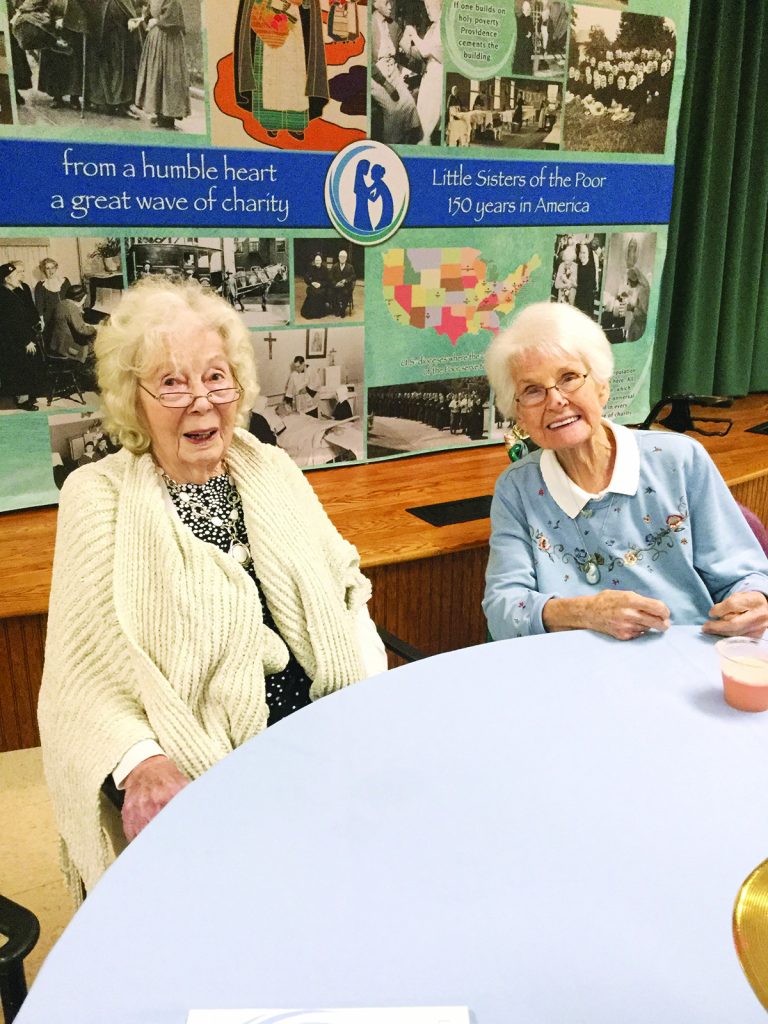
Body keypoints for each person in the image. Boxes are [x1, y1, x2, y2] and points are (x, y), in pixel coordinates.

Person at [38, 278, 387, 901]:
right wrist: (141, 763)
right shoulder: (99, 497)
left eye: (216, 377)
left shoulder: (271, 468)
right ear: (133, 400)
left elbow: (344, 589)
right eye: (172, 383)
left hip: (320, 745)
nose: (200, 401)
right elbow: (81, 679)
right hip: (200, 769)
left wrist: (365, 703)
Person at [483, 302, 768, 642]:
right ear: (519, 415)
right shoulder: (518, 489)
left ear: (602, 385)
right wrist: (585, 612)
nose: (555, 400)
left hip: (685, 654)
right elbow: (503, 611)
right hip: (573, 670)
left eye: (569, 378)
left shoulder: (678, 460)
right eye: (532, 391)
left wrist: (754, 601)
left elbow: (744, 574)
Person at [134, 0, 189, 130]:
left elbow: (173, 20)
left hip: (169, 41)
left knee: (169, 77)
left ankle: (168, 116)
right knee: (156, 75)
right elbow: (149, 11)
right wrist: (144, 19)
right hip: (156, 39)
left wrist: (157, 22)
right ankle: (159, 112)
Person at [0, 261, 44, 410]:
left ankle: (27, 396)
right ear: (7, 278)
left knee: (27, 367)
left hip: (20, 338)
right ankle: (23, 401)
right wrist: (26, 341)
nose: (19, 277)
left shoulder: (14, 291)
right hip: (14, 341)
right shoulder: (4, 296)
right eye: (16, 274)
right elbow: (12, 323)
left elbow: (24, 315)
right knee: (20, 368)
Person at [401, 0, 442, 145]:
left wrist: (413, 33)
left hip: (437, 75)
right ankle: (424, 141)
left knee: (429, 114)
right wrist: (407, 49)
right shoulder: (433, 27)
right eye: (426, 7)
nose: (428, 11)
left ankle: (426, 143)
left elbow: (426, 51)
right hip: (429, 73)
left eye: (430, 7)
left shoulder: (443, 27)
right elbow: (423, 53)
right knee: (422, 111)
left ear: (440, 4)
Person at [49, 284, 97, 361]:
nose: (84, 301)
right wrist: (95, 328)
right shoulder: (72, 308)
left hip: (56, 343)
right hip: (66, 347)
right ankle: (87, 368)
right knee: (96, 345)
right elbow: (81, 330)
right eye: (84, 298)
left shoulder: (62, 303)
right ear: (79, 298)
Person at [34, 257, 71, 344]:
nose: (51, 271)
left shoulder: (64, 281)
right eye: (47, 268)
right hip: (50, 319)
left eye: (53, 267)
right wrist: (42, 321)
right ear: (44, 270)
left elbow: (71, 299)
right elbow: (39, 306)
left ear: (56, 268)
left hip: (66, 317)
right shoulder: (40, 285)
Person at [300, 254, 329, 320]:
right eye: (316, 260)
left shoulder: (325, 269)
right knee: (312, 292)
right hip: (313, 286)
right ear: (314, 261)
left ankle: (318, 313)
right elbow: (306, 277)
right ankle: (311, 313)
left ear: (321, 261)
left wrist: (320, 284)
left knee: (319, 293)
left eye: (319, 260)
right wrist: (312, 282)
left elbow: (328, 281)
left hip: (322, 287)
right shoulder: (311, 268)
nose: (317, 262)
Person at [329, 250, 356, 318]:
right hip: (336, 286)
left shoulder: (350, 267)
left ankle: (342, 310)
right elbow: (330, 277)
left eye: (344, 257)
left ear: (346, 258)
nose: (342, 258)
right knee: (330, 293)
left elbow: (353, 277)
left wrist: (346, 280)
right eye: (341, 257)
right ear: (338, 258)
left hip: (345, 287)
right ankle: (336, 309)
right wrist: (336, 283)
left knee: (346, 293)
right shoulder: (334, 266)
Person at [512, 0, 534, 75]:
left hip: (527, 47)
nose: (529, 10)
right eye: (528, 9)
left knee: (527, 65)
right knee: (521, 65)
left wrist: (530, 33)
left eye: (529, 8)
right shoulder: (520, 19)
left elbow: (532, 29)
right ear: (524, 9)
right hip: (522, 47)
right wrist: (527, 34)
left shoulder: (530, 19)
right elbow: (520, 32)